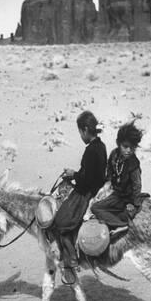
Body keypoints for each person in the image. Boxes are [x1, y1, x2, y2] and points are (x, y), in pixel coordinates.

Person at [50, 111, 107, 284]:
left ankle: (71, 261)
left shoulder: (90, 150)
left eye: (80, 132)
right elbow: (91, 173)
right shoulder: (101, 145)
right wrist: (76, 174)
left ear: (84, 130)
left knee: (61, 220)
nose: (80, 136)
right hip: (96, 187)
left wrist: (73, 174)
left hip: (88, 192)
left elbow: (87, 179)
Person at [91, 121, 146, 237]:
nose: (129, 151)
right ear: (118, 143)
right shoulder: (114, 155)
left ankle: (120, 224)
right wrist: (108, 183)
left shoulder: (133, 164)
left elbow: (137, 186)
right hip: (116, 193)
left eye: (132, 148)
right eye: (125, 146)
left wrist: (134, 204)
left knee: (96, 208)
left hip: (126, 197)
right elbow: (110, 169)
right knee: (95, 204)